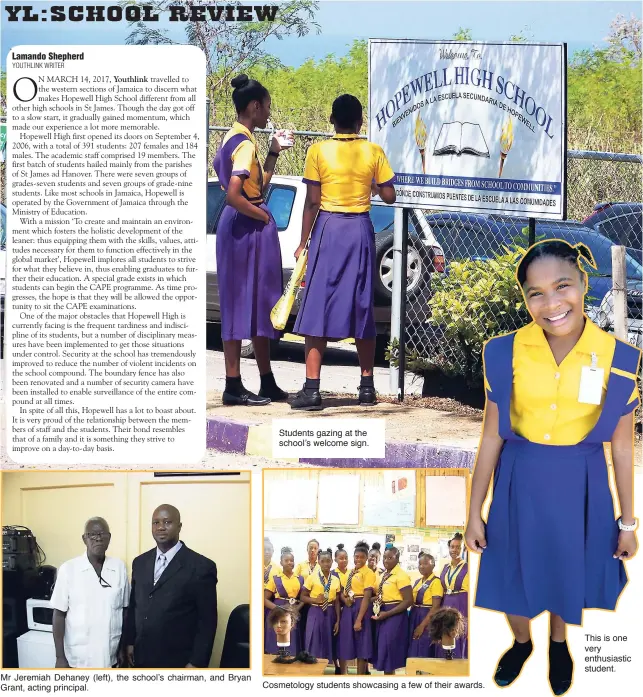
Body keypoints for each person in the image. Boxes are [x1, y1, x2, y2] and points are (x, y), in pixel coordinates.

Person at [465, 240, 640, 696]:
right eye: (535, 293)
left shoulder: (618, 360)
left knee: (568, 570)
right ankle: (522, 642)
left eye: (562, 286)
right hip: (518, 480)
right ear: (524, 299)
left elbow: (622, 449)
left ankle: (559, 643)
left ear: (584, 283)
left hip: (580, 482)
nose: (551, 303)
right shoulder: (504, 352)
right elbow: (491, 436)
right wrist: (473, 512)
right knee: (511, 574)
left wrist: (627, 522)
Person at [291, 94, 396, 410]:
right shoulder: (373, 151)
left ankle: (312, 389)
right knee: (362, 304)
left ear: (332, 121)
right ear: (360, 121)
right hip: (360, 230)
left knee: (318, 304)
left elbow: (312, 201)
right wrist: (373, 186)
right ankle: (366, 387)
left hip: (329, 228)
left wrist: (302, 242)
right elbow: (390, 195)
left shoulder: (318, 150)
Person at [212, 74, 292, 406]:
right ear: (254, 106)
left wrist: (273, 152)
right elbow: (234, 195)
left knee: (259, 302)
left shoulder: (236, 137)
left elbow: (254, 186)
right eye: (267, 107)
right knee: (240, 302)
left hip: (241, 223)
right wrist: (263, 217)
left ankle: (266, 380)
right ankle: (233, 384)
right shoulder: (244, 144)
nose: (269, 114)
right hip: (245, 225)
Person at [123, 505, 218, 668]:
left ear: (179, 526)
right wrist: (130, 642)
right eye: (155, 522)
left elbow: (207, 621)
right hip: (141, 657)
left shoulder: (201, 566)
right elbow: (134, 606)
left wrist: (196, 662)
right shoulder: (139, 562)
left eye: (167, 522)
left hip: (178, 661)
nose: (160, 527)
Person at [51, 518, 129, 668]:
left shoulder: (119, 567)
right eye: (92, 534)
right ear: (84, 539)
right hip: (78, 659)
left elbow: (124, 611)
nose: (98, 538)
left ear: (109, 538)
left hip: (110, 656)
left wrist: (122, 649)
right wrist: (60, 657)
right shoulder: (69, 569)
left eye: (102, 534)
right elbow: (59, 614)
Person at [371, 547, 413, 675]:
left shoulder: (401, 575)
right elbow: (379, 594)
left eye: (390, 558)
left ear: (397, 559)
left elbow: (408, 600)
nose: (386, 560)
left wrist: (387, 614)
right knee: (383, 651)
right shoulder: (382, 575)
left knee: (390, 651)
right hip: (382, 612)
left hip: (395, 615)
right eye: (384, 557)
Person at [336, 540, 376, 675]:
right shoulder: (350, 572)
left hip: (361, 607)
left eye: (362, 557)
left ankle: (360, 676)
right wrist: (345, 599)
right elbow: (342, 591)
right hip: (349, 607)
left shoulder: (368, 573)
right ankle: (344, 674)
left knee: (362, 644)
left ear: (366, 558)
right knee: (345, 640)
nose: (358, 559)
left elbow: (367, 596)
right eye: (356, 557)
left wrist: (359, 619)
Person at [300, 548, 341, 662]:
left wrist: (338, 620)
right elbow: (302, 597)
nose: (326, 564)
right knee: (315, 641)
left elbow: (337, 601)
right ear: (318, 562)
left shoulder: (336, 579)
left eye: (328, 561)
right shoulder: (312, 577)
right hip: (315, 611)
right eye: (323, 561)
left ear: (332, 562)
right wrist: (315, 600)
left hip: (330, 611)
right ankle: (312, 668)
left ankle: (325, 667)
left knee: (328, 640)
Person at [264, 547, 305, 655]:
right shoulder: (275, 578)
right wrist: (278, 609)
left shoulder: (300, 579)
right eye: (286, 560)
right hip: (278, 611)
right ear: (281, 562)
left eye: (291, 560)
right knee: (276, 639)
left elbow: (303, 598)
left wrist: (296, 609)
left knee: (292, 641)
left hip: (293, 612)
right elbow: (264, 599)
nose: (289, 563)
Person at [435, 533, 468, 659]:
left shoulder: (468, 567)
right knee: (445, 634)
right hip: (446, 604)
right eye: (452, 547)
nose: (454, 550)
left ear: (463, 549)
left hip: (461, 603)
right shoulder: (445, 567)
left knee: (458, 634)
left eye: (458, 547)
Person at [408, 552, 443, 658]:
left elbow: (436, 607)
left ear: (433, 565)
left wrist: (422, 626)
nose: (422, 566)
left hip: (426, 617)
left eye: (425, 564)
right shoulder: (418, 581)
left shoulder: (436, 582)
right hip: (414, 614)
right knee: (413, 645)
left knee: (423, 646)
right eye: (420, 564)